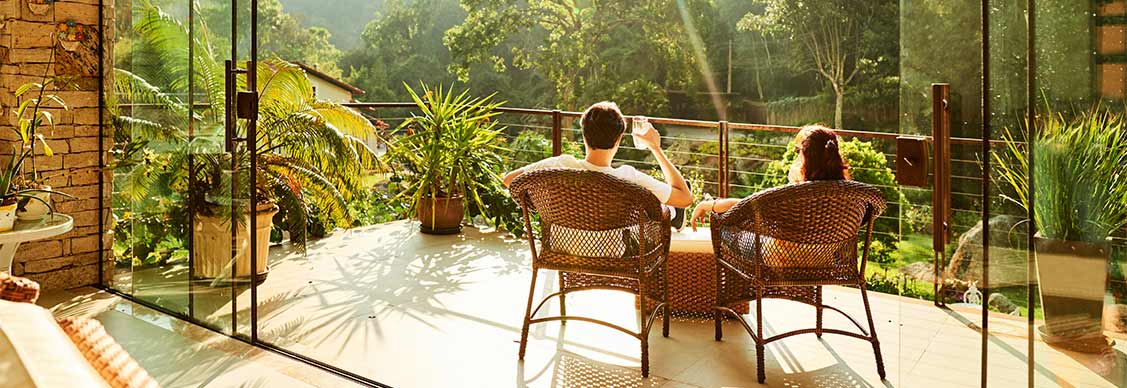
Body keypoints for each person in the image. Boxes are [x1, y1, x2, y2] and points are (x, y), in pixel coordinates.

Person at [503, 101, 694, 215]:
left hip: (563, 249)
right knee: (661, 209)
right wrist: (655, 148)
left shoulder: (560, 164)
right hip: (615, 255)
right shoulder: (628, 177)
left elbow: (510, 180)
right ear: (619, 139)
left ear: (584, 135)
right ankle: (673, 215)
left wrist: (543, 207)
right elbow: (685, 198)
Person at [689, 124, 850, 231]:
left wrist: (706, 205)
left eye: (797, 152)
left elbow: (745, 205)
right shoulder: (850, 197)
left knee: (727, 231)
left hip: (781, 263)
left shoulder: (794, 197)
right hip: (826, 264)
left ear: (806, 156)